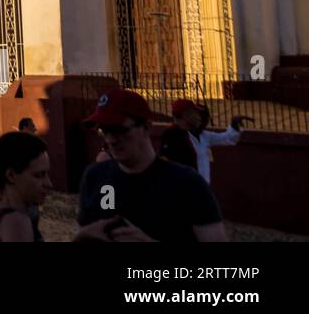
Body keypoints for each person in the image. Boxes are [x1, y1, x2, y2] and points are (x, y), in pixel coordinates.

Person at [75, 88, 227, 242]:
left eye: (119, 130)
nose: (111, 140)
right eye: (104, 131)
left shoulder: (188, 184)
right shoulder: (95, 177)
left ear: (147, 127)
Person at [0, 131, 51, 242]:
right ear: (11, 175)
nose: (49, 184)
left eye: (47, 174)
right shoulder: (17, 222)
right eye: (38, 175)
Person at [161, 100, 249, 184]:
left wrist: (234, 125)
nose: (200, 121)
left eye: (204, 119)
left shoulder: (204, 135)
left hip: (202, 186)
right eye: (197, 117)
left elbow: (227, 138)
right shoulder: (175, 135)